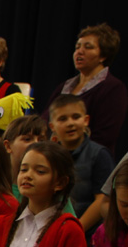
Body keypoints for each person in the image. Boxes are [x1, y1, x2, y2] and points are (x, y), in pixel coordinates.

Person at [42, 23, 126, 153]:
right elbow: (44, 122)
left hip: (86, 159)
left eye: (88, 47)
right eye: (77, 47)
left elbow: (103, 138)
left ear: (103, 56)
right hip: (52, 154)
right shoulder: (64, 87)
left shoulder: (113, 88)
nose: (79, 51)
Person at [47, 94, 113, 221]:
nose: (70, 123)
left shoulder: (99, 154)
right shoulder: (48, 156)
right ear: (52, 126)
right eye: (62, 119)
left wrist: (78, 227)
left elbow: (102, 200)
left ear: (86, 120)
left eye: (76, 117)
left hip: (86, 229)